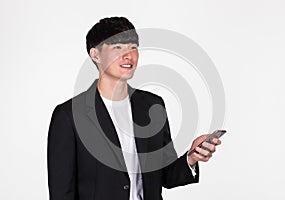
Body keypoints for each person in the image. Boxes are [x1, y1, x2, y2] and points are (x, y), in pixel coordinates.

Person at [47, 16, 221, 200]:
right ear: (95, 55)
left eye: (133, 47)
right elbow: (61, 192)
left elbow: (165, 175)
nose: (128, 55)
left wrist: (192, 157)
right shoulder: (70, 116)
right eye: (117, 47)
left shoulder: (153, 105)